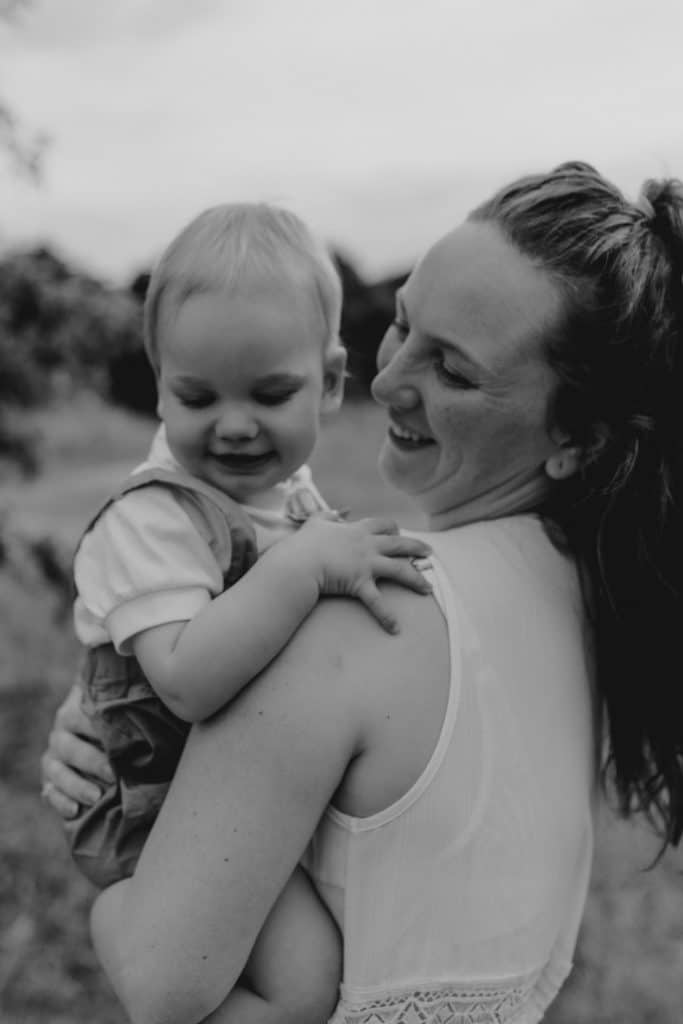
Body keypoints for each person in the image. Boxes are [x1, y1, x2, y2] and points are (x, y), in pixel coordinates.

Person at [42, 162, 683, 1024]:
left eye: (451, 371)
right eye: (405, 325)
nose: (383, 384)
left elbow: (163, 980)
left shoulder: (349, 623)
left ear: (574, 437)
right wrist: (124, 710)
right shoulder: (586, 595)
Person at [59, 202, 433, 1024]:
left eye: (270, 394)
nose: (233, 427)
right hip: (153, 808)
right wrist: (302, 571)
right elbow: (187, 680)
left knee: (309, 976)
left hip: (230, 795)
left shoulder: (288, 499)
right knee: (300, 986)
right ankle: (122, 923)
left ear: (331, 383)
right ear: (159, 382)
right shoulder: (151, 518)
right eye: (196, 398)